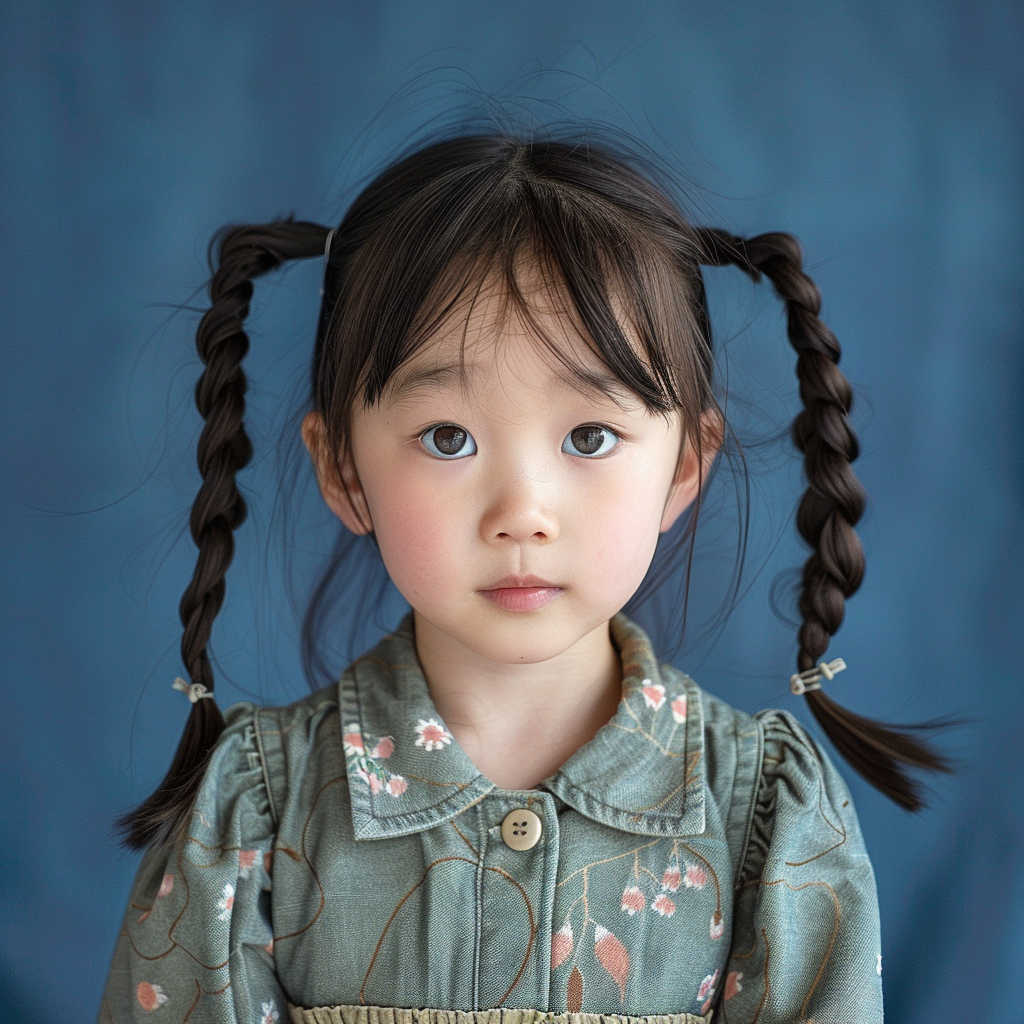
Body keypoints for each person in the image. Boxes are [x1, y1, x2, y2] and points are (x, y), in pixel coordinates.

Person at [98, 132, 946, 1024]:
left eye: (589, 438)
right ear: (346, 471)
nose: (522, 512)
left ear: (684, 469)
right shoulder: (254, 818)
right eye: (448, 438)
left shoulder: (764, 822)